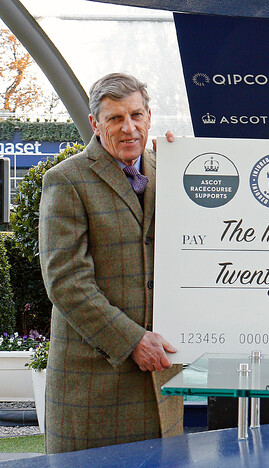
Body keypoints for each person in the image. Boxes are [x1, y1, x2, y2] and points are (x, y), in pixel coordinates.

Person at [39, 73, 182, 453]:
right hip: (94, 386)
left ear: (149, 116)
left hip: (162, 384)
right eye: (116, 118)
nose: (129, 127)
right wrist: (133, 339)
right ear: (95, 124)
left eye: (136, 115)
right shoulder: (66, 180)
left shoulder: (173, 171)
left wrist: (193, 164)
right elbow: (66, 282)